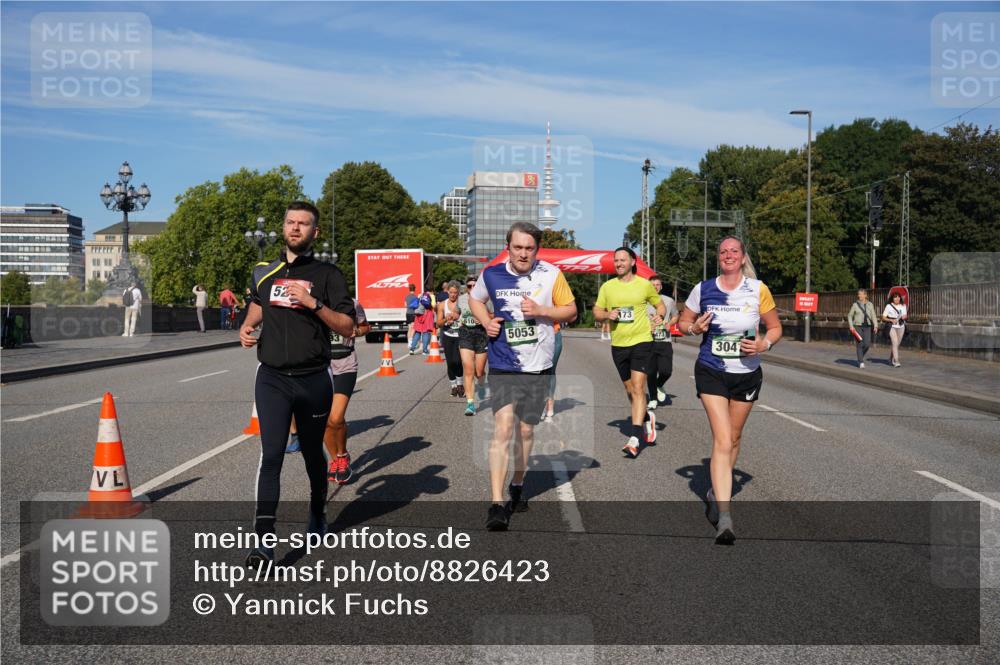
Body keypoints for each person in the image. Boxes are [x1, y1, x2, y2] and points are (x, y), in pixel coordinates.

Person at [239, 200, 356, 567]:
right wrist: (248, 324)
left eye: (303, 224)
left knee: (310, 456)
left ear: (314, 232)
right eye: (290, 222)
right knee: (271, 454)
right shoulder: (264, 270)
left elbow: (348, 327)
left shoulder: (328, 274)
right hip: (272, 378)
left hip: (313, 380)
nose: (295, 228)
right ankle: (262, 543)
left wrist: (313, 303)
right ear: (283, 227)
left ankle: (318, 512)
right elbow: (259, 302)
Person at [469, 222, 576, 531]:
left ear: (536, 250)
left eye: (529, 248)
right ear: (509, 247)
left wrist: (543, 310)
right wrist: (486, 320)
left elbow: (570, 311)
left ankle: (518, 482)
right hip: (503, 362)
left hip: (538, 364)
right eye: (518, 247)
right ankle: (496, 503)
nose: (523, 253)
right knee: (502, 429)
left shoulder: (551, 274)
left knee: (526, 432)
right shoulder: (492, 273)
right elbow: (476, 299)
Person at [677, 235, 782, 545]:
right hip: (711, 370)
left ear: (742, 256)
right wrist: (694, 328)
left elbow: (775, 327)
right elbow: (683, 322)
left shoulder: (757, 289)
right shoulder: (704, 289)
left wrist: (765, 344)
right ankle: (725, 517)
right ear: (718, 257)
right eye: (723, 251)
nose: (728, 255)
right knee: (723, 439)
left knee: (734, 438)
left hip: (747, 374)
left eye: (734, 251)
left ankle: (713, 489)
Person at [593, 248, 666, 458]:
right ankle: (646, 418)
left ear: (633, 261)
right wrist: (608, 314)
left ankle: (635, 438)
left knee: (638, 386)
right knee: (630, 389)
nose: (618, 263)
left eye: (623, 260)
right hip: (619, 344)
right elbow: (597, 312)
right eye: (616, 261)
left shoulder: (644, 284)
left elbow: (659, 305)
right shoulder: (608, 287)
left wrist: (659, 317)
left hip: (642, 341)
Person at [645, 276, 679, 410]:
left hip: (664, 340)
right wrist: (648, 327)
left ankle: (659, 384)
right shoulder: (643, 301)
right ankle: (653, 398)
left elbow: (676, 315)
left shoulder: (669, 301)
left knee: (666, 371)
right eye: (652, 285)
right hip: (647, 341)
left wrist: (669, 324)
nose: (655, 287)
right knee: (651, 372)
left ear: (661, 286)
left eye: (657, 285)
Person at [459, 275, 490, 416]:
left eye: (474, 285)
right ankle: (470, 404)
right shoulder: (461, 299)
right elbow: (456, 312)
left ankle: (482, 383)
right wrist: (454, 316)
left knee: (479, 371)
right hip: (465, 333)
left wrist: (484, 318)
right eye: (469, 286)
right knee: (468, 368)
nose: (472, 288)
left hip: (481, 334)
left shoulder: (486, 298)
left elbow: (494, 314)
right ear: (466, 287)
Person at [437, 281, 464, 396]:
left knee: (458, 361)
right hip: (448, 336)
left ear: (458, 293)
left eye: (455, 293)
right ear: (447, 291)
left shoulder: (462, 303)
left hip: (460, 336)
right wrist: (446, 320)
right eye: (451, 292)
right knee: (450, 362)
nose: (453, 295)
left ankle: (460, 384)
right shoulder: (442, 304)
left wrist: (461, 321)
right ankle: (453, 386)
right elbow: (438, 323)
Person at [848, 289, 878, 369]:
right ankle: (861, 361)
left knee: (867, 344)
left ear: (865, 295)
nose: (859, 296)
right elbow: (850, 315)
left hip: (867, 326)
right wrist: (851, 326)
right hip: (857, 326)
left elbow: (873, 315)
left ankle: (859, 356)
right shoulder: (855, 305)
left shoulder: (870, 304)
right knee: (860, 344)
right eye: (858, 294)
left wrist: (875, 325)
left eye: (861, 294)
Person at [542, 321, 563, 423]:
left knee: (550, 370)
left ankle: (549, 402)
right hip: (531, 335)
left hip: (553, 333)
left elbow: (570, 311)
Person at [882, 292, 908, 367]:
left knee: (896, 344)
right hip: (892, 326)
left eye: (898, 297)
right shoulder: (889, 306)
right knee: (894, 342)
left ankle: (890, 358)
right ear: (892, 299)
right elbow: (883, 317)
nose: (897, 298)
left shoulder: (903, 306)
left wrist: (904, 317)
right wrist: (891, 320)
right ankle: (896, 361)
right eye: (895, 297)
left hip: (901, 326)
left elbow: (905, 315)